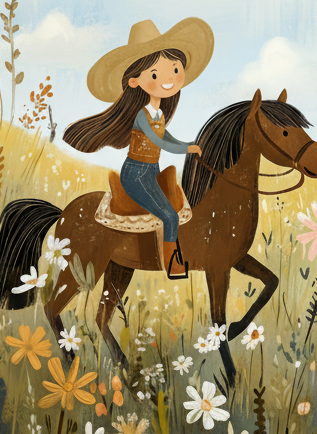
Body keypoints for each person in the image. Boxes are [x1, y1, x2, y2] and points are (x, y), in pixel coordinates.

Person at [64, 17, 214, 279]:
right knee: (169, 216)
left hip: (151, 171)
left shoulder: (158, 114)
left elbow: (167, 136)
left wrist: (188, 145)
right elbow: (160, 142)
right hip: (136, 174)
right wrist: (184, 150)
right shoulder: (143, 116)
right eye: (155, 74)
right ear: (135, 81)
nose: (169, 79)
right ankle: (172, 263)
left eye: (175, 69)